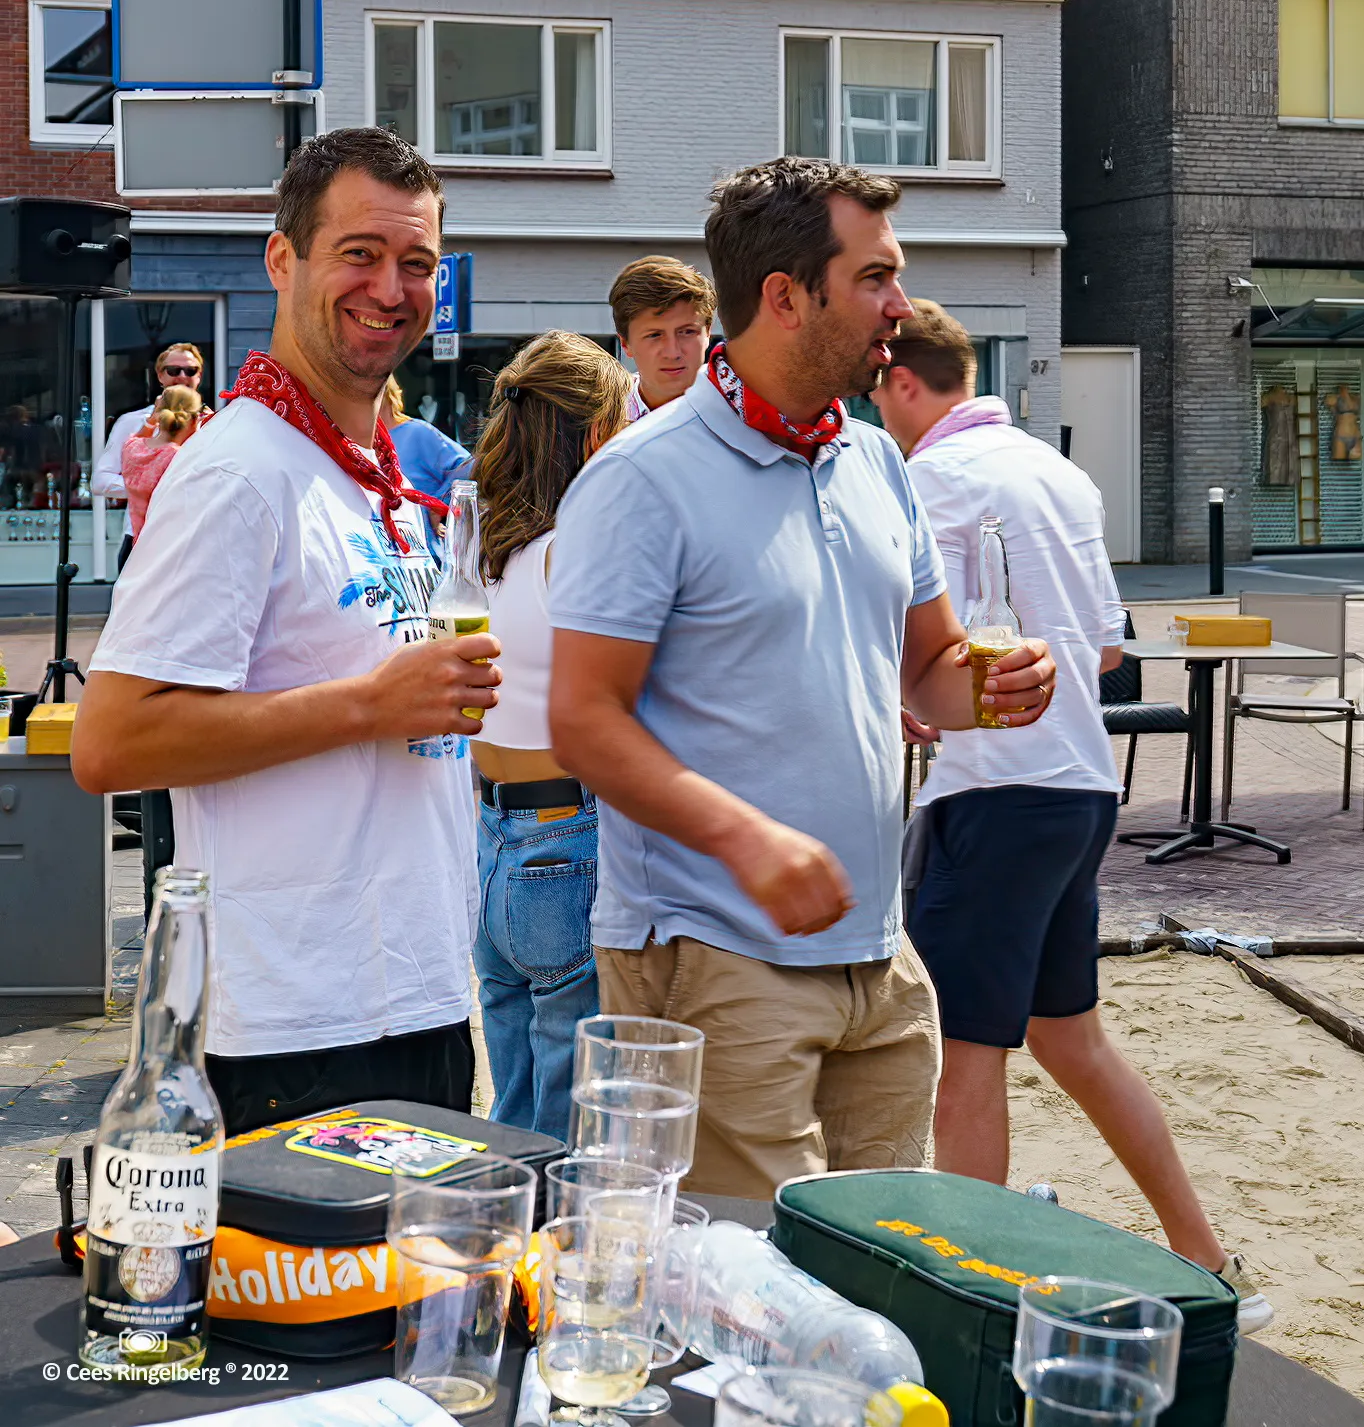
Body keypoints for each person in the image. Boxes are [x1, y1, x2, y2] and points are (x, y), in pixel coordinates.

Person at [547, 157, 1058, 1199]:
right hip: (713, 958)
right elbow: (582, 719)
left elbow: (930, 671)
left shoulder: (873, 462)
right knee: (743, 1299)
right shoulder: (643, 478)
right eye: (875, 278)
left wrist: (994, 688)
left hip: (879, 955)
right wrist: (748, 839)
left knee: (872, 1281)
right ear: (785, 296)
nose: (902, 308)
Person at [71, 125, 501, 1134]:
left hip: (416, 1004)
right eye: (359, 254)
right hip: (299, 1035)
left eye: (417, 263)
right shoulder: (238, 473)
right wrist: (368, 704)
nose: (391, 287)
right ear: (284, 258)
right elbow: (112, 739)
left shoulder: (372, 474)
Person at [868, 299, 1274, 1333]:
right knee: (1071, 1038)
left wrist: (922, 704)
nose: (880, 412)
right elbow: (1099, 652)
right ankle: (1204, 1253)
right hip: (1081, 783)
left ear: (902, 382)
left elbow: (917, 655)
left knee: (967, 1053)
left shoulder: (927, 482)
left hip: (994, 786)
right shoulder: (1060, 473)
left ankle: (971, 1300)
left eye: (879, 391)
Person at [468, 331, 631, 1138]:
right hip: (568, 836)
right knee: (570, 1128)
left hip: (495, 838)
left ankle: (500, 1252)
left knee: (513, 1109)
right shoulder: (581, 550)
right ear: (598, 433)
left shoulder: (494, 544)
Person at [96, 343, 205, 568]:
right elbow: (101, 480)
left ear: (199, 376)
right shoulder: (132, 422)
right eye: (173, 370)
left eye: (190, 371)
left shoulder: (215, 422)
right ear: (160, 376)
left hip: (193, 539)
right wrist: (149, 488)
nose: (182, 376)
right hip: (142, 538)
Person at [608, 255, 716, 421]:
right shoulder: (601, 423)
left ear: (707, 332)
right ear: (625, 343)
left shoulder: (744, 414)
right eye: (655, 335)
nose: (673, 353)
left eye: (687, 332)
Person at [119, 385, 203, 546]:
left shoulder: (132, 448)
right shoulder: (179, 457)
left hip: (137, 547)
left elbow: (139, 437)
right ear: (193, 419)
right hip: (168, 549)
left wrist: (152, 420)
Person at [381, 376, 470, 504]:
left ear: (386, 393)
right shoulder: (359, 440)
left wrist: (439, 503)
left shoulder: (416, 432)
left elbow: (468, 467)